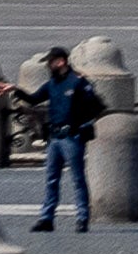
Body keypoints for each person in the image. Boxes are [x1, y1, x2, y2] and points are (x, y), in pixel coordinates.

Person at [28, 44, 104, 231]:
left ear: (61, 61)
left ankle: (82, 218)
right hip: (55, 137)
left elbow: (97, 107)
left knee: (78, 179)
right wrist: (13, 89)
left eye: (51, 62)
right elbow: (34, 99)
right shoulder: (52, 84)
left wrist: (83, 125)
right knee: (51, 179)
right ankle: (47, 218)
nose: (48, 66)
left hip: (72, 137)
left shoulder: (77, 82)